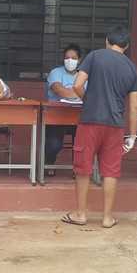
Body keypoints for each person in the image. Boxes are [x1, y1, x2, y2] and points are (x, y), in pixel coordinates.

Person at [61, 26, 137, 228]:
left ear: (107, 41)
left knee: (83, 168)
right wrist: (132, 135)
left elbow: (77, 85)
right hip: (115, 126)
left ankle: (81, 214)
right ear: (127, 46)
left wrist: (88, 101)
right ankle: (107, 218)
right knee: (111, 171)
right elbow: (134, 106)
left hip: (90, 121)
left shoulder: (95, 56)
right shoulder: (132, 68)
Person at [44, 44, 83, 176]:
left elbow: (90, 94)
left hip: (78, 117)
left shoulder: (83, 75)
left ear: (80, 60)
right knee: (54, 144)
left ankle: (77, 168)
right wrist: (77, 93)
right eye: (67, 58)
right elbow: (59, 90)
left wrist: (71, 92)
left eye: (73, 58)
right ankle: (49, 162)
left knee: (82, 142)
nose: (70, 61)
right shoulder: (56, 72)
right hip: (56, 117)